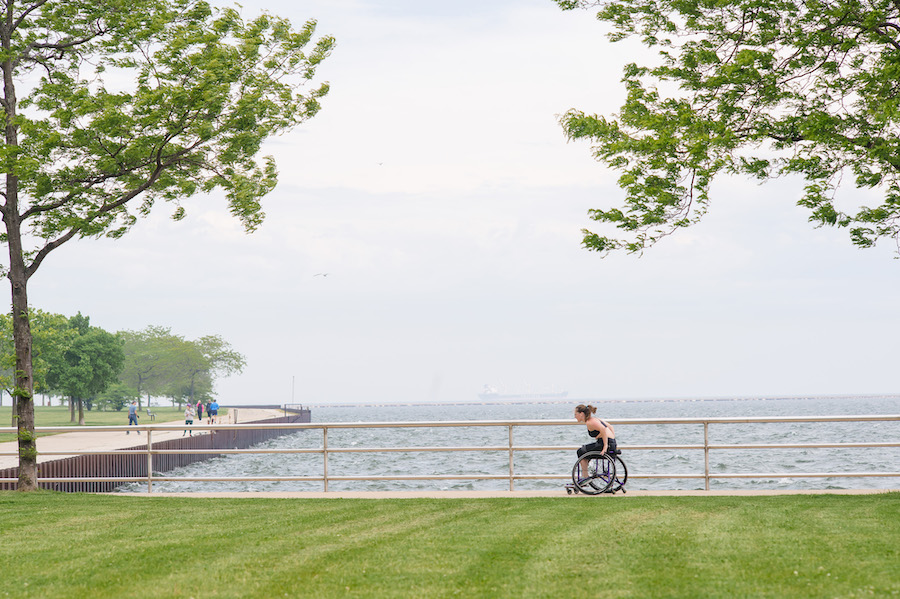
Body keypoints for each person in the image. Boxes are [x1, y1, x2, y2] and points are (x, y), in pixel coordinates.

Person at [574, 404, 616, 478]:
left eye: (575, 414)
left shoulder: (590, 422)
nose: (574, 416)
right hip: (612, 443)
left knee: (580, 451)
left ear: (581, 414)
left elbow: (603, 429)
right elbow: (610, 427)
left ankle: (585, 477)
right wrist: (611, 438)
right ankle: (586, 474)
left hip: (604, 444)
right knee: (585, 450)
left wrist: (605, 446)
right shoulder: (595, 419)